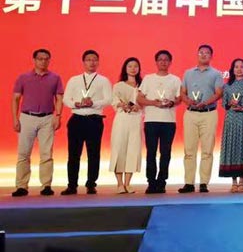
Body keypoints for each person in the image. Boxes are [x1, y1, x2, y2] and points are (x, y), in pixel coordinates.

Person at [11, 49, 64, 197]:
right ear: (34, 60)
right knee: (23, 153)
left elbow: (59, 99)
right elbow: (15, 99)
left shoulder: (55, 78)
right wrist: (15, 118)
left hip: (47, 118)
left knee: (47, 153)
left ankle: (46, 185)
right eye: (40, 59)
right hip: (27, 117)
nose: (43, 61)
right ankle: (22, 186)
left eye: (46, 59)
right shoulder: (23, 77)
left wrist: (58, 116)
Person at [61, 50, 112, 195]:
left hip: (94, 120)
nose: (92, 62)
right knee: (73, 154)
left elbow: (109, 99)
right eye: (89, 60)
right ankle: (72, 185)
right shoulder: (74, 80)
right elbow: (66, 99)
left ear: (98, 62)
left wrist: (93, 103)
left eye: (95, 59)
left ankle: (91, 184)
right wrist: (76, 104)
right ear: (83, 62)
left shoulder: (103, 80)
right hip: (77, 119)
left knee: (93, 153)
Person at [179, 44, 223, 193]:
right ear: (197, 55)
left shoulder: (216, 74)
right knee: (189, 150)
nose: (204, 55)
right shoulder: (188, 73)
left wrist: (206, 102)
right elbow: (182, 93)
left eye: (207, 53)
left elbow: (218, 93)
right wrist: (188, 101)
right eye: (201, 53)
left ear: (211, 56)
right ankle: (189, 183)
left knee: (207, 150)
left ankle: (204, 182)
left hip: (209, 113)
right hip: (191, 113)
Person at [137, 50, 181, 194]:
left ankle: (162, 181)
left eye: (166, 59)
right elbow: (139, 98)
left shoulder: (175, 79)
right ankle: (151, 182)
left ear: (170, 62)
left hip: (168, 121)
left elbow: (179, 98)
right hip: (151, 120)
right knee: (151, 152)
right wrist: (154, 103)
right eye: (160, 59)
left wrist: (171, 103)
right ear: (156, 62)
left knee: (165, 153)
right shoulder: (148, 78)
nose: (163, 62)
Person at [220, 58, 243, 193]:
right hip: (231, 119)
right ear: (232, 69)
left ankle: (242, 182)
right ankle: (234, 182)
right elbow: (224, 104)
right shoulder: (227, 85)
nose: (239, 69)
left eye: (242, 67)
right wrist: (230, 103)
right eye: (236, 67)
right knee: (232, 147)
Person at [109, 58, 143, 194]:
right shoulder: (118, 86)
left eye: (136, 66)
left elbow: (144, 103)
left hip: (136, 120)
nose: (133, 69)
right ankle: (119, 183)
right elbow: (114, 101)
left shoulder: (142, 86)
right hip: (122, 119)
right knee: (119, 149)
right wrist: (121, 104)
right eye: (130, 66)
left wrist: (138, 107)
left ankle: (128, 183)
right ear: (125, 68)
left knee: (133, 150)